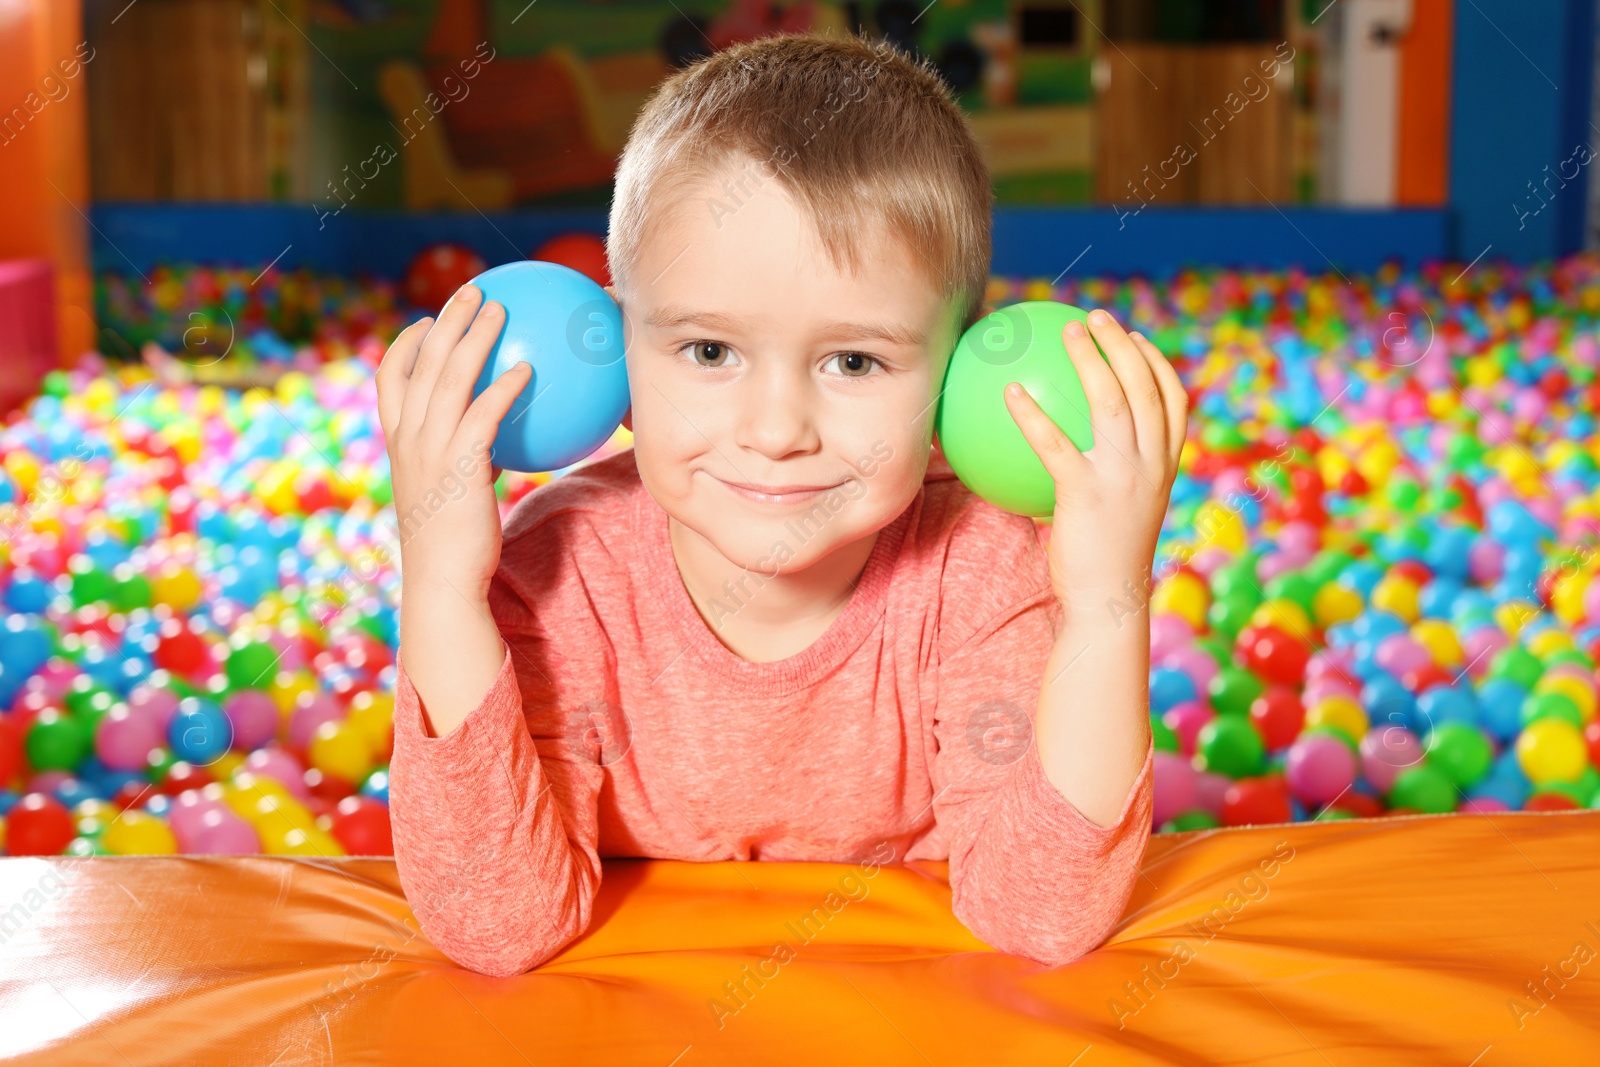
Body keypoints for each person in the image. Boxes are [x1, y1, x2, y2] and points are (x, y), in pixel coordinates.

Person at [375, 31, 1187, 977]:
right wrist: (439, 589)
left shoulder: (980, 568)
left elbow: (1039, 915)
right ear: (617, 354)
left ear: (956, 378)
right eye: (710, 352)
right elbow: (497, 924)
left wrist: (1102, 603)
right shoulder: (560, 573)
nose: (775, 428)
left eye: (853, 360)